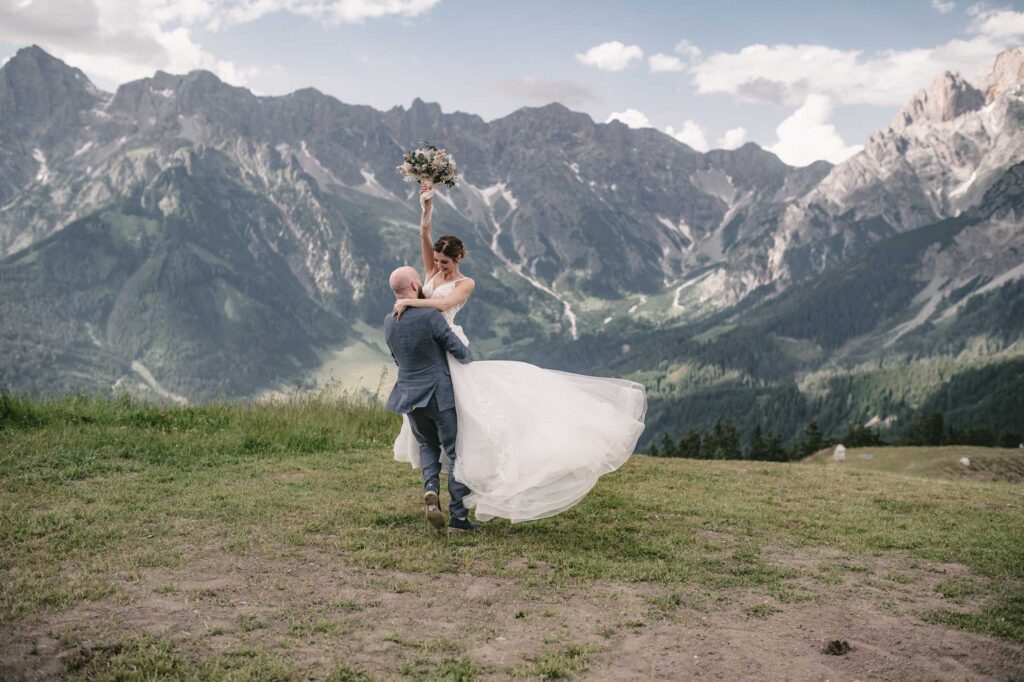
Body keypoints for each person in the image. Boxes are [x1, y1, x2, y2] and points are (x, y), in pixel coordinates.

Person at [392, 181, 647, 523]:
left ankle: (464, 492)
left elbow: (443, 305)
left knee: (469, 422)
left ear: (459, 259)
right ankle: (447, 500)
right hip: (430, 351)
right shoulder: (431, 272)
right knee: (444, 422)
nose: (439, 267)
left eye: (446, 263)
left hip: (450, 348)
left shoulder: (465, 284)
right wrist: (427, 205)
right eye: (437, 261)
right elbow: (424, 234)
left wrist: (410, 302)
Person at [384, 265, 479, 533]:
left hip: (408, 394)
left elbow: (397, 358)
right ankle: (458, 518)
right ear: (416, 286)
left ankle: (431, 489)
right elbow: (457, 349)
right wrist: (469, 359)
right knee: (456, 450)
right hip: (438, 393)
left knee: (427, 445)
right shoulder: (430, 315)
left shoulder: (389, 321)